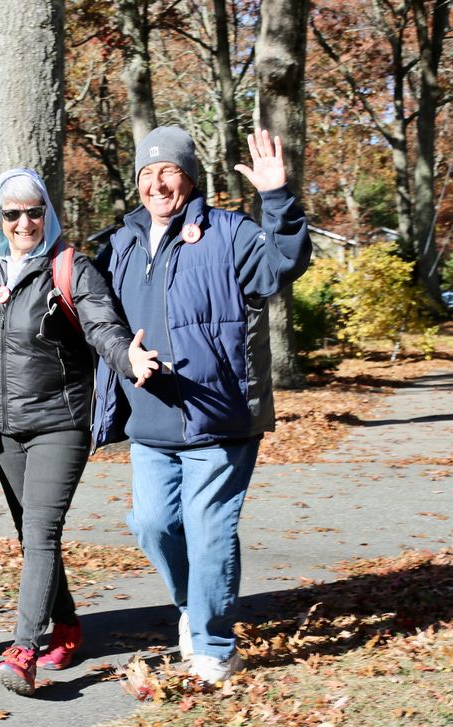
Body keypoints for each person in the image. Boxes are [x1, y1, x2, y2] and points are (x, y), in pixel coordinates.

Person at [93, 125, 312, 684]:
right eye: (147, 173)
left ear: (190, 178)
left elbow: (283, 264)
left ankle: (214, 643)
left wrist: (276, 198)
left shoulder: (229, 232)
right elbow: (87, 307)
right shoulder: (119, 243)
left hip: (218, 413)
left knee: (209, 527)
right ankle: (195, 603)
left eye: (169, 171)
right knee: (152, 524)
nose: (157, 183)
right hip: (151, 418)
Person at [0, 168, 158, 696]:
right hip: (1, 425)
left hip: (60, 422)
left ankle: (23, 651)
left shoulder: (70, 268)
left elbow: (103, 325)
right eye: (12, 213)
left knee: (41, 533)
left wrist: (127, 356)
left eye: (33, 211)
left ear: (48, 213)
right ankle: (66, 627)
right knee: (29, 534)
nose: (23, 222)